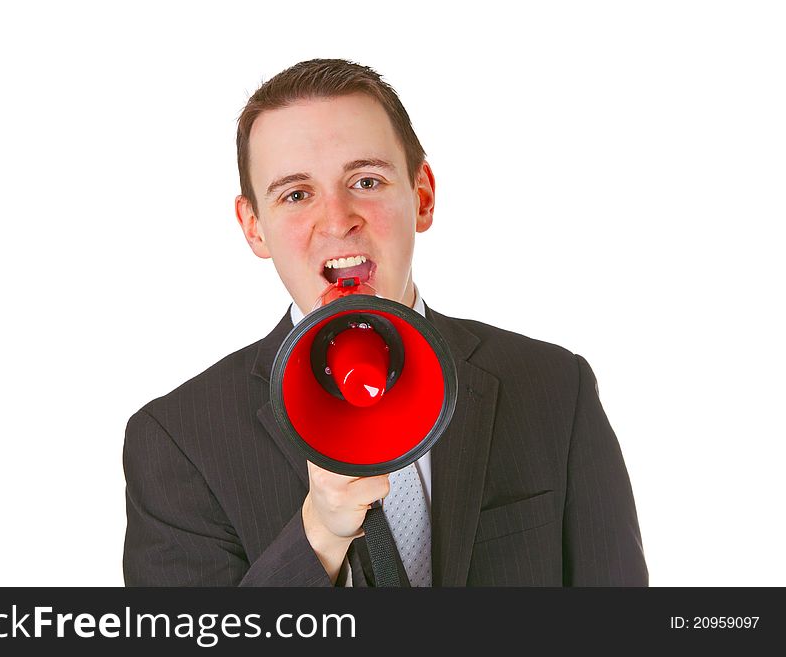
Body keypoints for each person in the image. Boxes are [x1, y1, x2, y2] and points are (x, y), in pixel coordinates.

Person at [122, 58, 648, 587]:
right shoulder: (176, 442)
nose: (337, 219)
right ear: (253, 227)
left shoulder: (555, 387)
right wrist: (318, 538)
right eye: (296, 195)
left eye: (366, 180)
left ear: (422, 196)